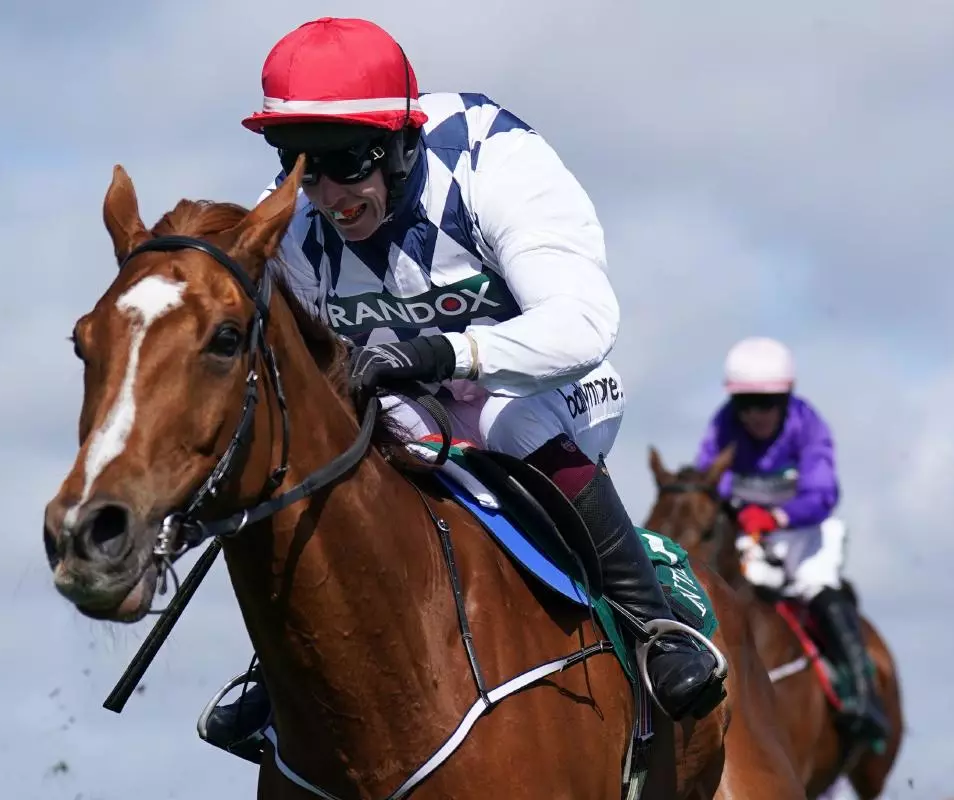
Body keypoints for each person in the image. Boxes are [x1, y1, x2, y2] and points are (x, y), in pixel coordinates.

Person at [202, 16, 726, 762]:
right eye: (302, 165)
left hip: (548, 382)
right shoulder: (293, 218)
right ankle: (287, 667)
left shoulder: (493, 160)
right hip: (411, 401)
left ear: (400, 142)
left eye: (346, 162)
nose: (328, 194)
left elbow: (582, 324)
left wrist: (438, 353)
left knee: (510, 423)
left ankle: (654, 627)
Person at [694, 335, 890, 742]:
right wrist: (739, 511)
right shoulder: (723, 424)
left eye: (766, 403)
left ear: (786, 399)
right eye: (745, 403)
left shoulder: (808, 426)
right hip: (748, 532)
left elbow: (823, 492)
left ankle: (863, 694)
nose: (755, 415)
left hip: (803, 532)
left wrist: (776, 515)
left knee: (818, 589)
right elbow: (707, 477)